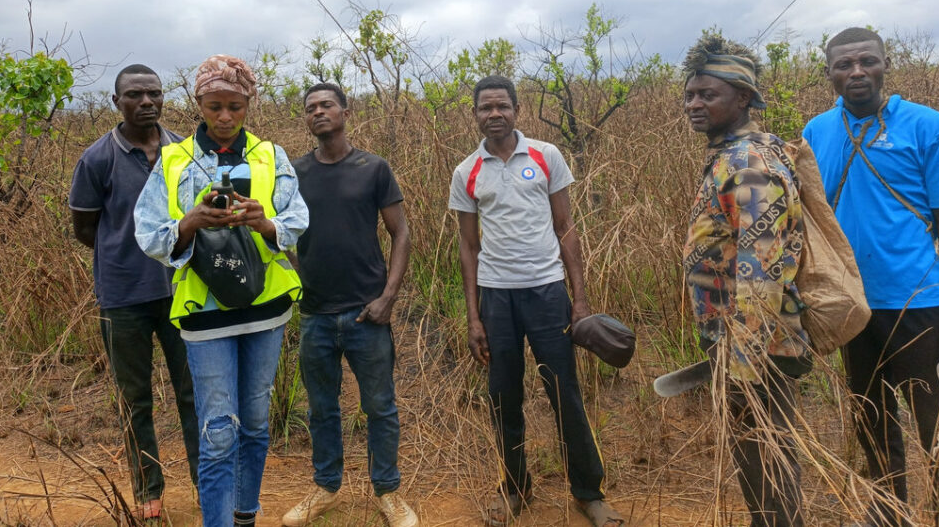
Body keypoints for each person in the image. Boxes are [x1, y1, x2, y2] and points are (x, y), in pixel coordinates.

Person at [134, 55, 308, 527]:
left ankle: (245, 514)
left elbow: (297, 219)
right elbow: (149, 231)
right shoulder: (173, 160)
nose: (225, 117)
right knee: (216, 432)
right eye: (215, 106)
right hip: (204, 312)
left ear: (249, 104)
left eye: (235, 106)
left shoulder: (271, 156)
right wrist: (189, 223)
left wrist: (264, 222)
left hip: (265, 309)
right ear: (199, 104)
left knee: (253, 423)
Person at [448, 75, 622, 527]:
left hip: (548, 293)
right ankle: (515, 488)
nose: (494, 114)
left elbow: (566, 225)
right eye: (485, 108)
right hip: (496, 298)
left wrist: (579, 299)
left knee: (565, 394)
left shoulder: (546, 156)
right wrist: (474, 318)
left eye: (502, 106)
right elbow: (468, 247)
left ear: (517, 109)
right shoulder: (466, 171)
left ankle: (589, 493)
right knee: (503, 397)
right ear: (475, 114)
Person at [803, 27, 939, 527]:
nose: (855, 73)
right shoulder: (816, 133)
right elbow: (810, 220)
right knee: (870, 416)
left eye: (866, 61)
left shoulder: (928, 127)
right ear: (827, 74)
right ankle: (887, 511)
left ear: (885, 64)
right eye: (843, 65)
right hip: (851, 306)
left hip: (920, 301)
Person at [681, 34, 811, 527]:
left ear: (743, 98)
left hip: (756, 348)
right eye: (690, 95)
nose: (694, 104)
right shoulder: (732, 154)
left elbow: (763, 271)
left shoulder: (748, 164)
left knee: (767, 458)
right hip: (741, 342)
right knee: (756, 457)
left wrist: (741, 364)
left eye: (707, 95)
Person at [281, 83, 419, 527]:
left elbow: (401, 233)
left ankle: (388, 493)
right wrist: (299, 275)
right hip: (316, 315)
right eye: (310, 108)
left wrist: (388, 297)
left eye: (326, 105)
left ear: (346, 110)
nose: (318, 113)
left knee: (379, 406)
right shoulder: (295, 173)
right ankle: (325, 488)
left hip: (367, 314)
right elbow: (282, 233)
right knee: (321, 408)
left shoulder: (373, 168)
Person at [69, 64, 199, 522]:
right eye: (135, 95)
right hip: (122, 297)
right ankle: (148, 489)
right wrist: (127, 254)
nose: (147, 102)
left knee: (194, 392)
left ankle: (208, 483)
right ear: (116, 102)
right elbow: (85, 227)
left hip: (180, 292)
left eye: (154, 94)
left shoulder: (184, 151)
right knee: (134, 398)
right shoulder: (97, 158)